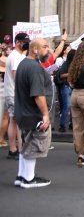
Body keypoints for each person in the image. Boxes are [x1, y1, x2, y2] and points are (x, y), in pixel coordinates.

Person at [13, 37, 53, 188]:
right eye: (44, 47)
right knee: (34, 145)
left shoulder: (24, 64)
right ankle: (28, 179)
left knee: (26, 144)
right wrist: (45, 115)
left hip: (24, 112)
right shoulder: (34, 67)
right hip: (33, 113)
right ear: (35, 49)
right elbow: (38, 94)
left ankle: (22, 175)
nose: (47, 50)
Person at [4, 32, 29, 160]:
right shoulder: (15, 56)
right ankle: (18, 149)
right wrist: (23, 90)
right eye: (25, 42)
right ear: (18, 42)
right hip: (14, 93)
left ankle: (14, 149)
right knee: (17, 121)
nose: (27, 44)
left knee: (14, 120)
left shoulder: (17, 56)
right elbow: (16, 74)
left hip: (12, 92)